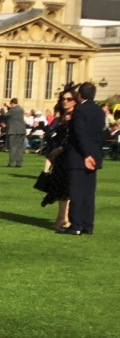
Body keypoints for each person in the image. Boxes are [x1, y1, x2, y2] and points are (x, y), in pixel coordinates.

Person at [63, 81, 106, 236]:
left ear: (79, 95)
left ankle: (76, 225)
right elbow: (99, 135)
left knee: (76, 192)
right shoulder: (100, 111)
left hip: (80, 156)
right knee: (88, 193)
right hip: (94, 155)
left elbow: (80, 134)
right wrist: (93, 154)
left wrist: (86, 155)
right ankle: (88, 225)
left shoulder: (80, 110)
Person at [38, 87, 78, 230]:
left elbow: (72, 136)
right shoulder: (63, 116)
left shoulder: (74, 116)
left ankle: (62, 218)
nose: (65, 102)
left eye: (69, 99)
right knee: (61, 189)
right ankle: (63, 218)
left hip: (67, 154)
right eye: (63, 99)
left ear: (75, 101)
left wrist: (60, 149)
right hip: (60, 156)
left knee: (66, 189)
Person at [2, 97, 26, 166]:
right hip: (21, 130)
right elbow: (12, 111)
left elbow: (5, 115)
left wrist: (2, 108)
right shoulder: (21, 109)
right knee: (20, 147)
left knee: (13, 147)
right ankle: (19, 163)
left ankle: (11, 163)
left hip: (13, 131)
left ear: (12, 103)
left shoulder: (12, 111)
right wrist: (7, 106)